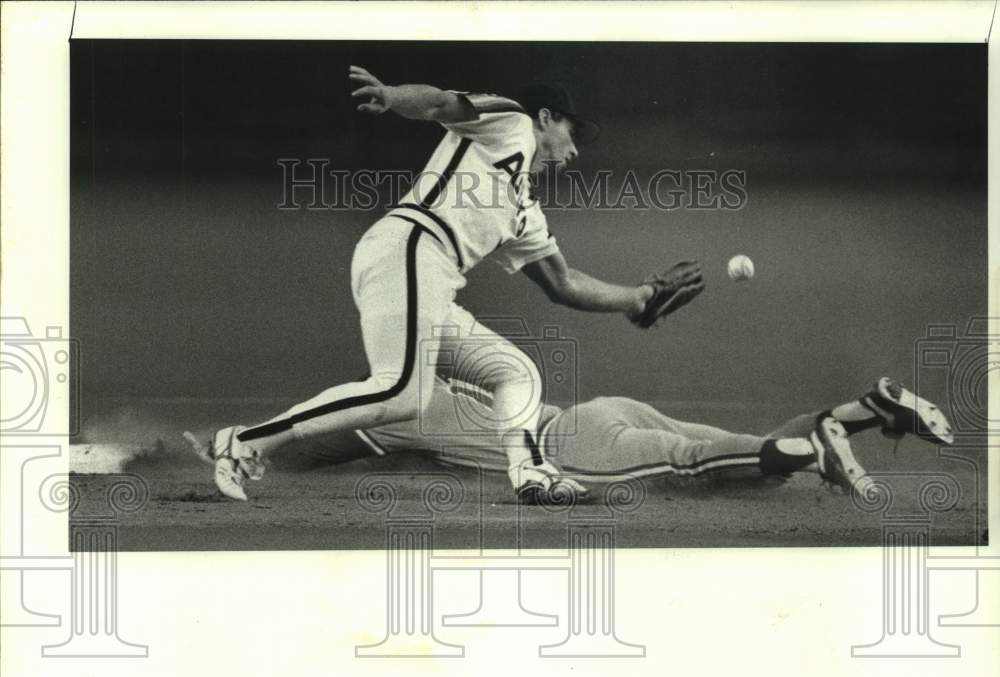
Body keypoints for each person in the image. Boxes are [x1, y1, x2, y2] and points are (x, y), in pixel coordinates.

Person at [200, 66, 701, 505]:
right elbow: (442, 102)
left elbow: (562, 282)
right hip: (411, 248)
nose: (573, 150)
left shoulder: (523, 206)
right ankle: (244, 441)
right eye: (573, 131)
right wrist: (395, 97)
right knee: (399, 394)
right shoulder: (511, 121)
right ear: (546, 117)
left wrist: (637, 297)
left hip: (429, 275)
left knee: (515, 373)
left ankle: (529, 472)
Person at [239, 376, 953, 497]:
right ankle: (865, 408)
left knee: (693, 463)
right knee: (732, 444)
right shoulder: (455, 385)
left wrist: (264, 453)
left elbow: (322, 443)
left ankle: (802, 452)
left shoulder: (402, 408)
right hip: (606, 407)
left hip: (577, 447)